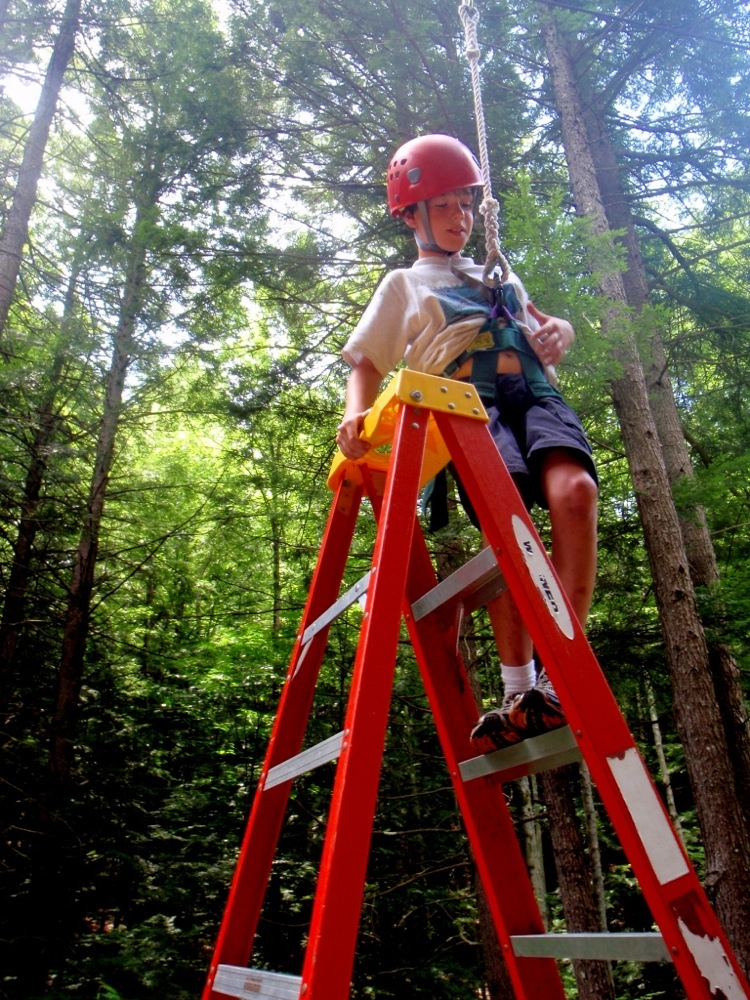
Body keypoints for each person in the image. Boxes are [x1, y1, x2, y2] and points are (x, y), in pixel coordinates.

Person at [335, 134, 598, 753]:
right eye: (447, 206)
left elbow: (544, 328)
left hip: (534, 397)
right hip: (470, 413)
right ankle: (518, 689)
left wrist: (560, 329)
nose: (462, 218)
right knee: (513, 534)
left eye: (467, 205)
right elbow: (365, 363)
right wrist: (357, 415)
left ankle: (564, 672)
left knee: (578, 491)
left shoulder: (498, 274)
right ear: (412, 214)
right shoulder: (405, 283)